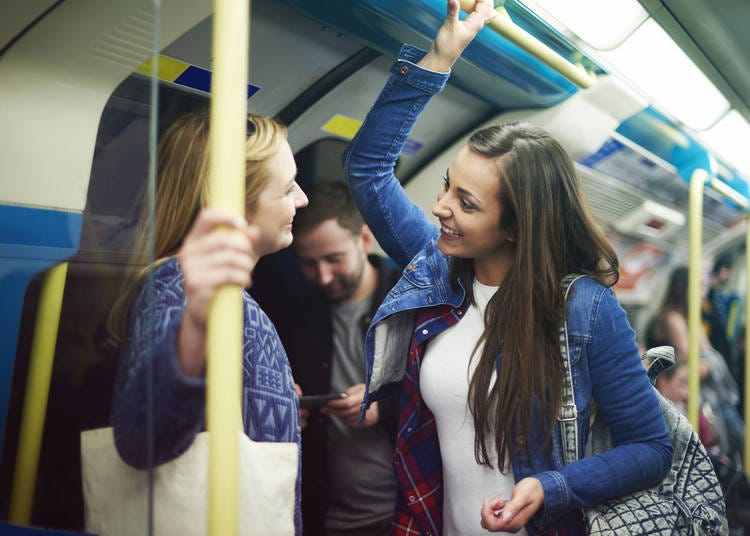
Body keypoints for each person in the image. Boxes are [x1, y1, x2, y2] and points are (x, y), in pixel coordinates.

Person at [341, 1, 673, 534]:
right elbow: (368, 171)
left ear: (517, 226)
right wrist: (440, 55)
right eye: (447, 183)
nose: (440, 206)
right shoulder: (437, 270)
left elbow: (651, 447)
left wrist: (552, 486)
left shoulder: (584, 309)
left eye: (466, 203)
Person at [107, 110, 308, 535]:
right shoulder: (178, 286)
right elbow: (141, 438)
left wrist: (272, 406)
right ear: (235, 203)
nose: (302, 199)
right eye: (288, 187)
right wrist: (196, 325)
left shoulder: (228, 295)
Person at [253, 181, 401, 536]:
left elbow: (454, 399)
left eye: (334, 260)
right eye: (309, 263)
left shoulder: (407, 303)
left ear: (364, 240)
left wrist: (384, 407)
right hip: (320, 515)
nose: (323, 276)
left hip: (396, 514)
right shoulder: (295, 312)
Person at [648, 265, 744, 460]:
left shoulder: (692, 319)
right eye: (699, 286)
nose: (704, 292)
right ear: (685, 289)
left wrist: (710, 363)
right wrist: (710, 364)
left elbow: (708, 353)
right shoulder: (672, 319)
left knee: (732, 425)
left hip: (694, 388)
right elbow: (691, 363)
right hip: (672, 389)